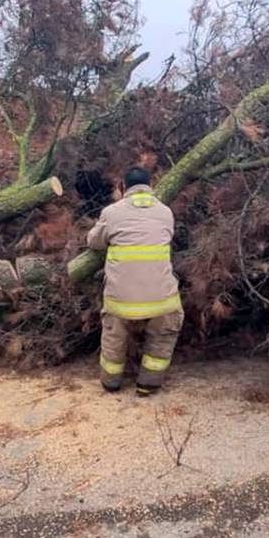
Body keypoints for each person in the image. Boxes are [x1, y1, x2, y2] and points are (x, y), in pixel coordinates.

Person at [86, 167, 184, 395]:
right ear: (150, 185)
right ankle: (148, 384)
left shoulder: (111, 212)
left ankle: (110, 383)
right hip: (161, 298)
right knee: (165, 329)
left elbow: (94, 242)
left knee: (114, 334)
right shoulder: (166, 212)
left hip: (122, 299)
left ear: (122, 187)